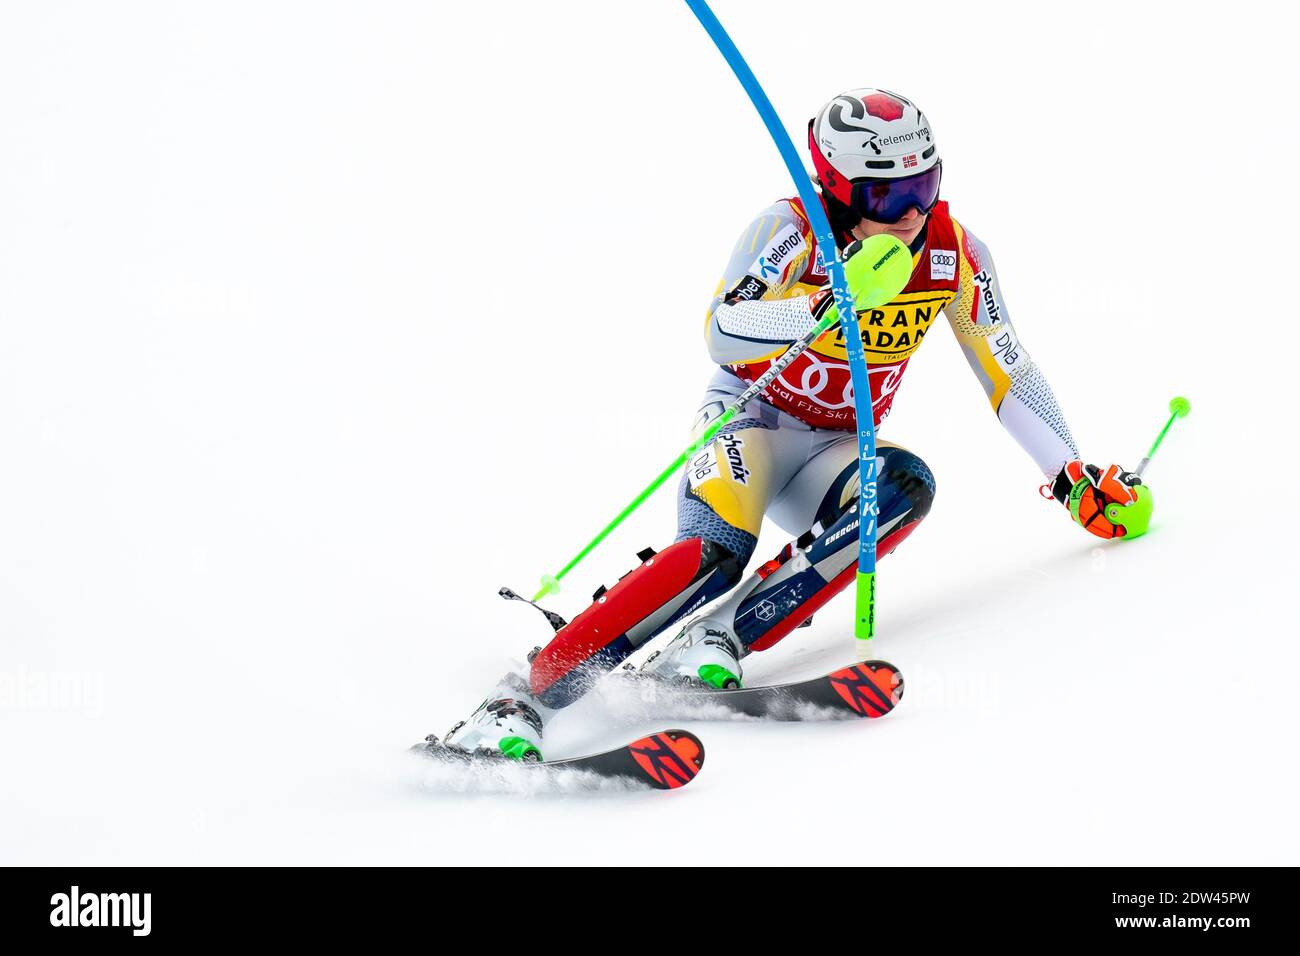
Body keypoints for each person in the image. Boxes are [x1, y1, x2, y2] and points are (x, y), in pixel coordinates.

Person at [434, 88, 1147, 760]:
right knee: (710, 555)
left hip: (836, 445)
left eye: (923, 187)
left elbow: (1008, 367)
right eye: (886, 195)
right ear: (838, 191)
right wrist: (814, 306)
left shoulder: (953, 254)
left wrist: (1069, 471)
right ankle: (514, 702)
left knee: (902, 487)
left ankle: (716, 640)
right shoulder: (790, 231)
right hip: (754, 421)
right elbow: (721, 327)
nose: (909, 212)